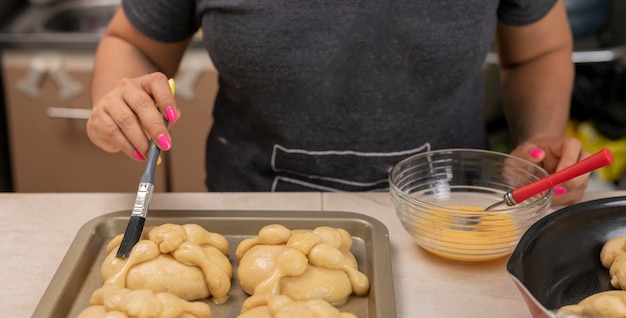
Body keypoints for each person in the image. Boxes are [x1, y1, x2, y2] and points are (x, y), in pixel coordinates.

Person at [86, 0, 588, 203]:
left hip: (450, 220)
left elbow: (538, 50)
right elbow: (136, 42)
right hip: (254, 219)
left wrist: (536, 141)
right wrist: (121, 99)